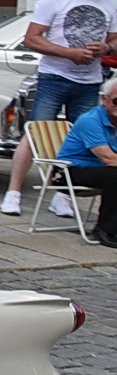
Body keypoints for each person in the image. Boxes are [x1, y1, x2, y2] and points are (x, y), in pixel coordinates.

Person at [1, 0, 117, 217]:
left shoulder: (109, 4)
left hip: (89, 81)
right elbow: (32, 39)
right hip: (55, 77)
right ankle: (13, 192)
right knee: (35, 133)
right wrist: (69, 53)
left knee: (84, 138)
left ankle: (63, 194)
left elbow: (115, 39)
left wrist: (107, 47)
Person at [56, 77, 117, 247]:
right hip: (67, 171)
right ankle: (105, 230)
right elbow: (108, 158)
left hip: (99, 169)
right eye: (116, 100)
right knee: (115, 175)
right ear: (104, 99)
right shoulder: (90, 120)